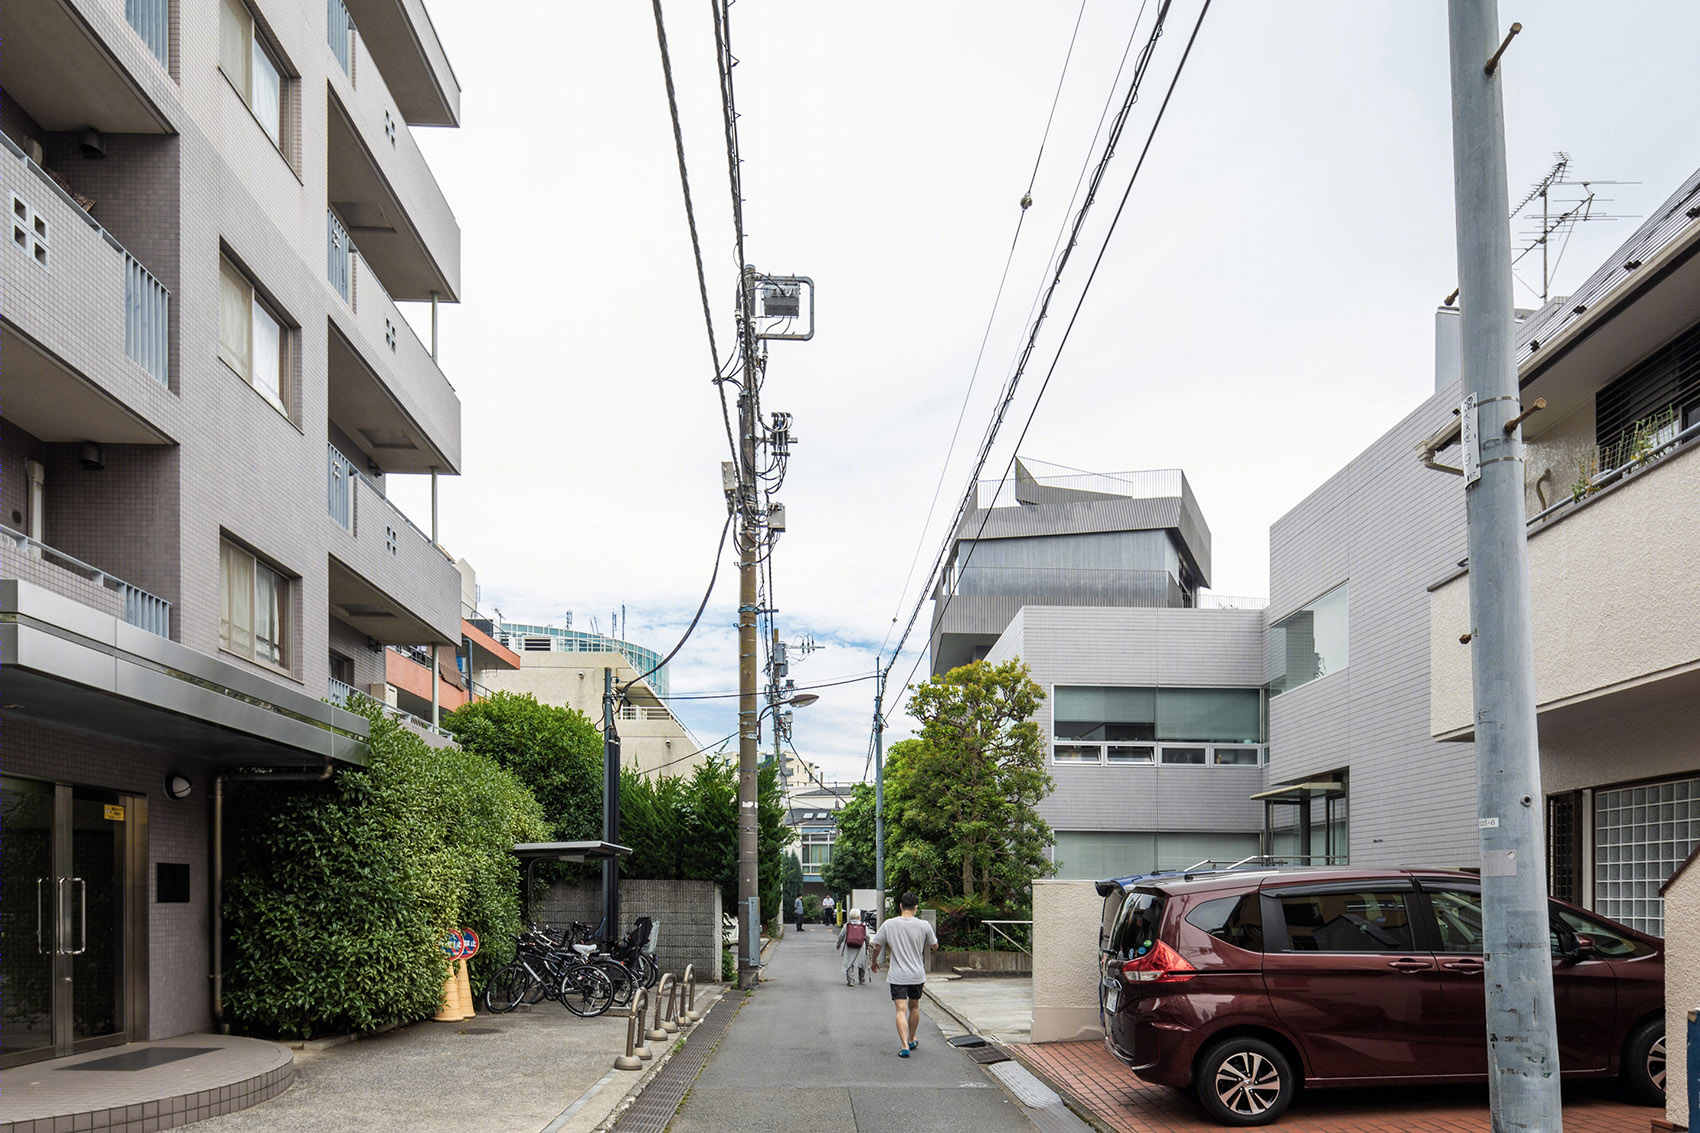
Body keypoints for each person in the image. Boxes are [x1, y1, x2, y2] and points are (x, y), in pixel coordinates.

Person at [867, 891, 938, 1057]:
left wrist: (874, 961)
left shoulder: (889, 924)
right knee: (914, 1007)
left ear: (900, 906)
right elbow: (935, 945)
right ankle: (912, 1038)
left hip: (898, 975)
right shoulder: (924, 925)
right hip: (917, 974)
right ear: (916, 907)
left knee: (900, 1010)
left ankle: (905, 1045)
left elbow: (876, 945)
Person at [835, 907, 869, 986]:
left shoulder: (847, 925)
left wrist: (838, 944)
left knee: (849, 962)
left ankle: (850, 980)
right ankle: (862, 979)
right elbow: (867, 936)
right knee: (861, 962)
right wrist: (867, 945)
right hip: (861, 946)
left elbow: (841, 936)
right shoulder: (863, 925)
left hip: (849, 945)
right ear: (858, 916)